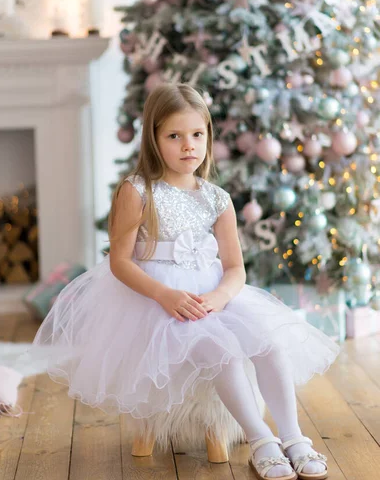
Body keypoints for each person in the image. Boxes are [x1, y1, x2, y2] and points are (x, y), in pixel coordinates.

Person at [33, 83, 339, 480]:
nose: (188, 145)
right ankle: (261, 438)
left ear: (208, 136)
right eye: (174, 136)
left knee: (271, 345)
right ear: (154, 139)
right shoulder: (137, 191)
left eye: (197, 134)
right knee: (221, 352)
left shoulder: (216, 198)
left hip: (215, 297)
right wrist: (163, 294)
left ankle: (294, 437)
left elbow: (235, 268)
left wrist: (218, 298)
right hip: (158, 302)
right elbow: (120, 263)